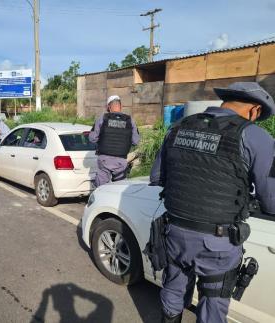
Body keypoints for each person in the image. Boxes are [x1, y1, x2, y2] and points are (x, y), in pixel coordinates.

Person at [150, 82, 275, 323]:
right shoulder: (257, 137)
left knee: (173, 293)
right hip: (217, 243)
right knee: (213, 308)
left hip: (175, 234)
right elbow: (271, 202)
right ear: (254, 111)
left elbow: (158, 177)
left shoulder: (179, 126)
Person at [89, 95, 140, 187]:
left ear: (109, 107)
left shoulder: (102, 118)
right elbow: (135, 141)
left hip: (104, 159)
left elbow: (92, 138)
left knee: (101, 189)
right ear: (121, 106)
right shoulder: (130, 120)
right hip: (121, 161)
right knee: (119, 188)